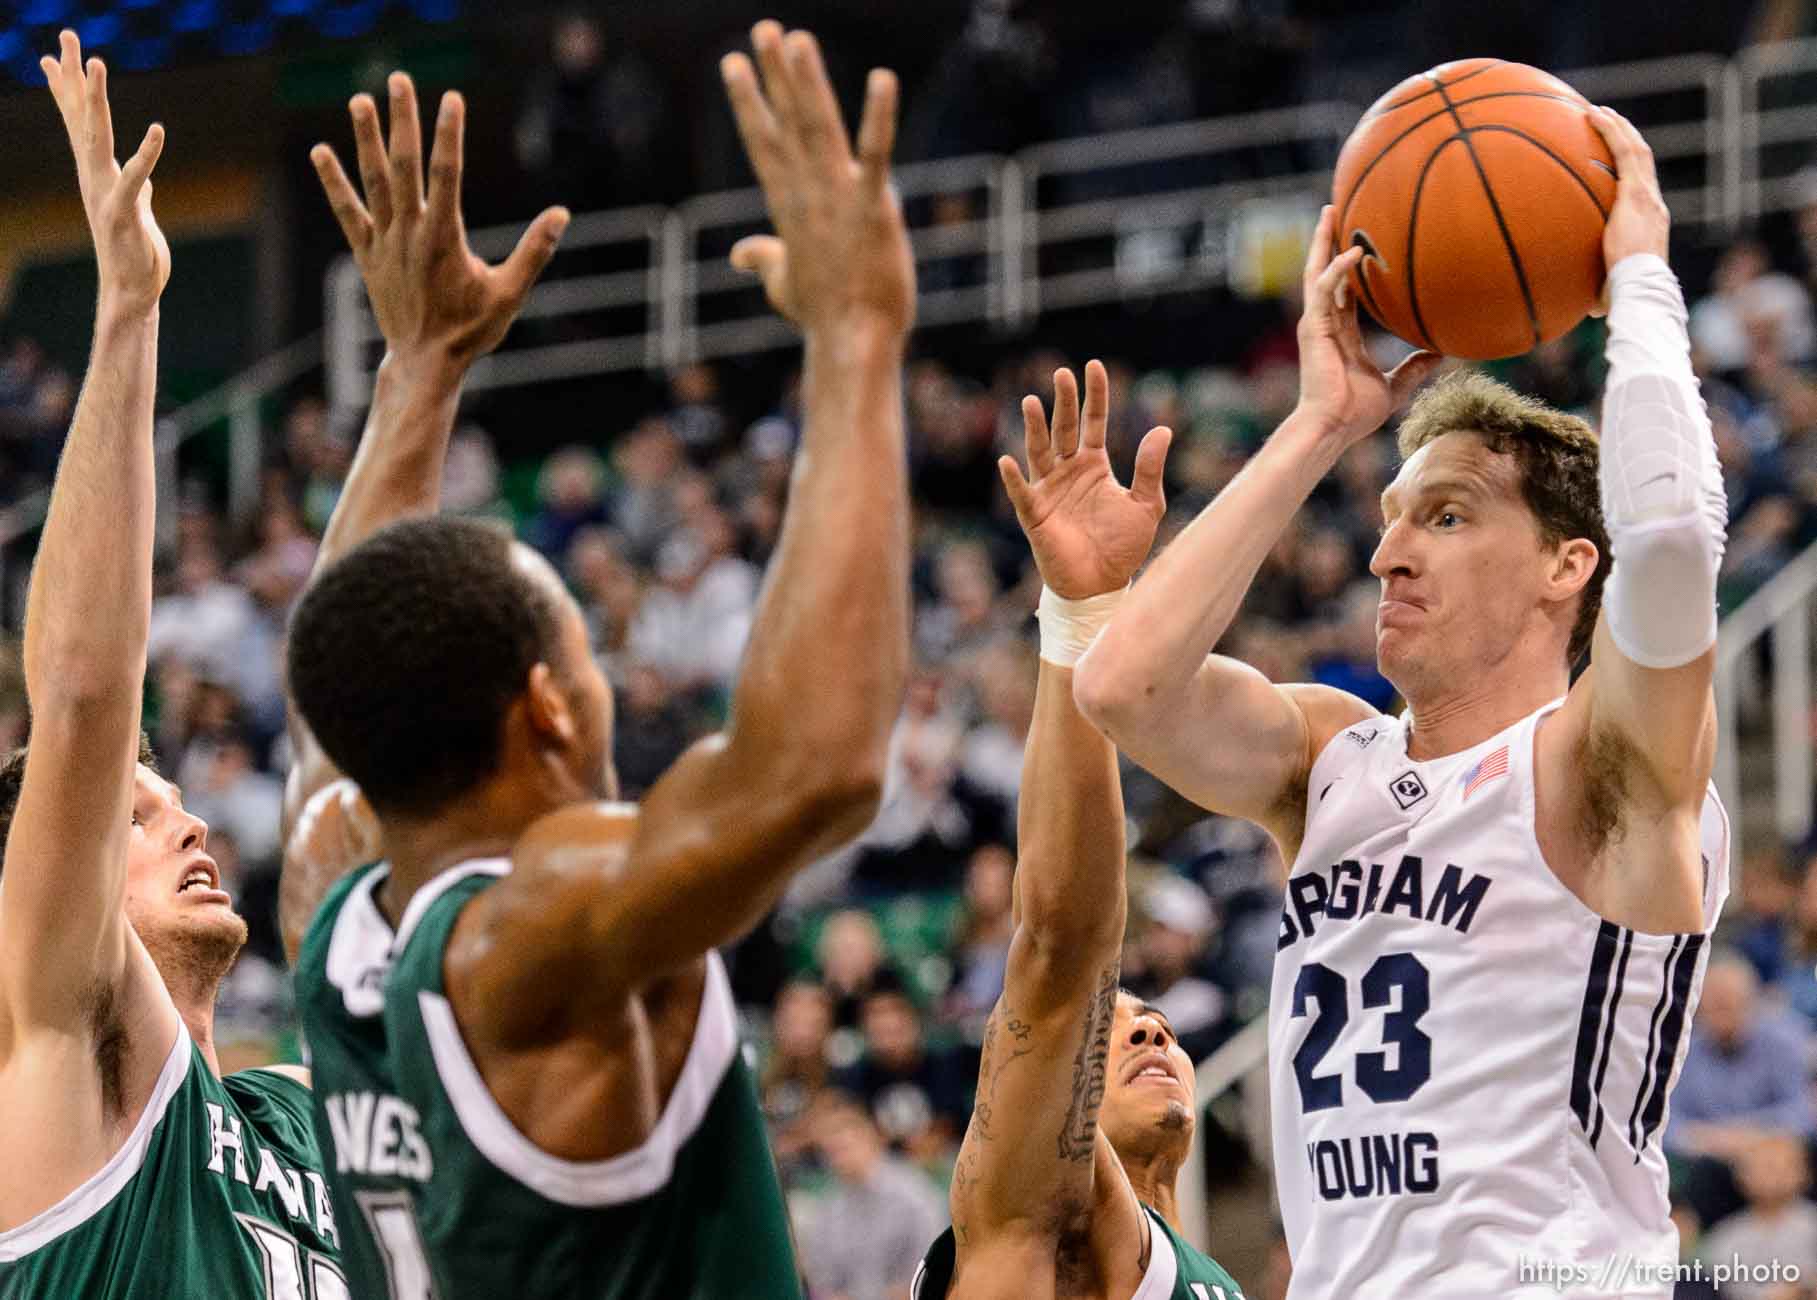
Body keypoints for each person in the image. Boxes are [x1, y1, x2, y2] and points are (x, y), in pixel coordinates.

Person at [287, 20, 915, 1298]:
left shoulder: (334, 898)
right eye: (585, 650)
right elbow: (821, 770)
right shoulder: (539, 916)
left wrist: (417, 370)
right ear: (545, 710)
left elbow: (340, 670)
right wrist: (855, 338)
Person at [1073, 110, 1731, 1297]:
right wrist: (1320, 421)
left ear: (1565, 567)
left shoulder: (1600, 757)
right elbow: (1119, 684)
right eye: (1386, 523)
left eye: (1445, 516)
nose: (1387, 559)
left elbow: (1674, 537)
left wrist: (1637, 277)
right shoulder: (1333, 758)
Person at [0, 33, 342, 1295]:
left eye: (174, 798)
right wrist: (131, 310)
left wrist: (414, 377)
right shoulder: (56, 1052)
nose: (191, 817)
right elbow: (87, 694)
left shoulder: (293, 1121)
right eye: (139, 815)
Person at [913, 362, 1244, 1298]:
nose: (1151, 1036)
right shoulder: (1040, 1222)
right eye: (1123, 1031)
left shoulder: (1201, 1272)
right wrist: (1080, 620)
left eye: (1160, 1028)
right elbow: (1064, 953)